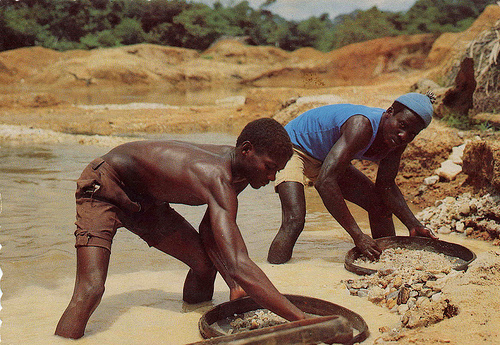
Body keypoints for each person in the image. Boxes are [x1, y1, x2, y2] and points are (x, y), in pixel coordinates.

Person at [55, 118, 306, 339]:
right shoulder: (216, 177)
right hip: (105, 187)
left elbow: (209, 231)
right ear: (246, 150)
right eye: (270, 167)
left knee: (205, 266)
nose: (273, 177)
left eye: (278, 171)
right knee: (91, 289)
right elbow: (239, 263)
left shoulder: (239, 174)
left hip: (147, 202)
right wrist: (303, 321)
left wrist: (234, 284)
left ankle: (189, 320)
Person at [267, 93, 439, 265]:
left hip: (329, 158)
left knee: (380, 206)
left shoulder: (398, 141)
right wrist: (358, 236)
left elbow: (386, 186)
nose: (404, 135)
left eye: (412, 133)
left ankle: (384, 261)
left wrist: (413, 224)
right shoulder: (362, 125)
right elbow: (325, 182)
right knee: (294, 219)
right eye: (402, 125)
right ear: (390, 112)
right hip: (293, 147)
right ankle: (275, 275)